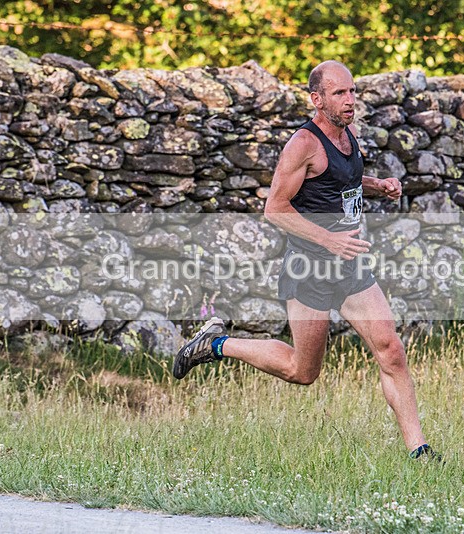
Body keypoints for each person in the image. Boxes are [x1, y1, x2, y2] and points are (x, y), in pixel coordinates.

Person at [174, 60, 440, 462]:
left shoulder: (350, 132)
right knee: (303, 371)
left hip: (348, 265)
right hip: (310, 268)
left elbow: (337, 179)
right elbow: (275, 208)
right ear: (317, 99)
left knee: (391, 350)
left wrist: (376, 185)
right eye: (339, 94)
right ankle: (215, 344)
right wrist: (327, 239)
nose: (350, 100)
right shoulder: (303, 144)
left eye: (352, 91)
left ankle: (420, 453)